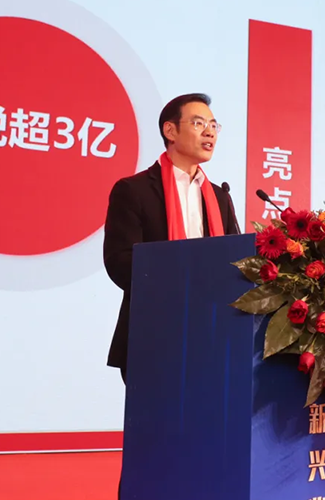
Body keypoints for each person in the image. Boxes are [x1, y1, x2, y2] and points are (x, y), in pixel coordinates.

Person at [103, 93, 240, 385]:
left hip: (213, 337)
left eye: (214, 125)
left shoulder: (220, 197)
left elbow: (239, 262)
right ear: (170, 130)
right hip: (153, 335)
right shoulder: (135, 190)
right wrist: (182, 275)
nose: (210, 132)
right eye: (198, 123)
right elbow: (119, 261)